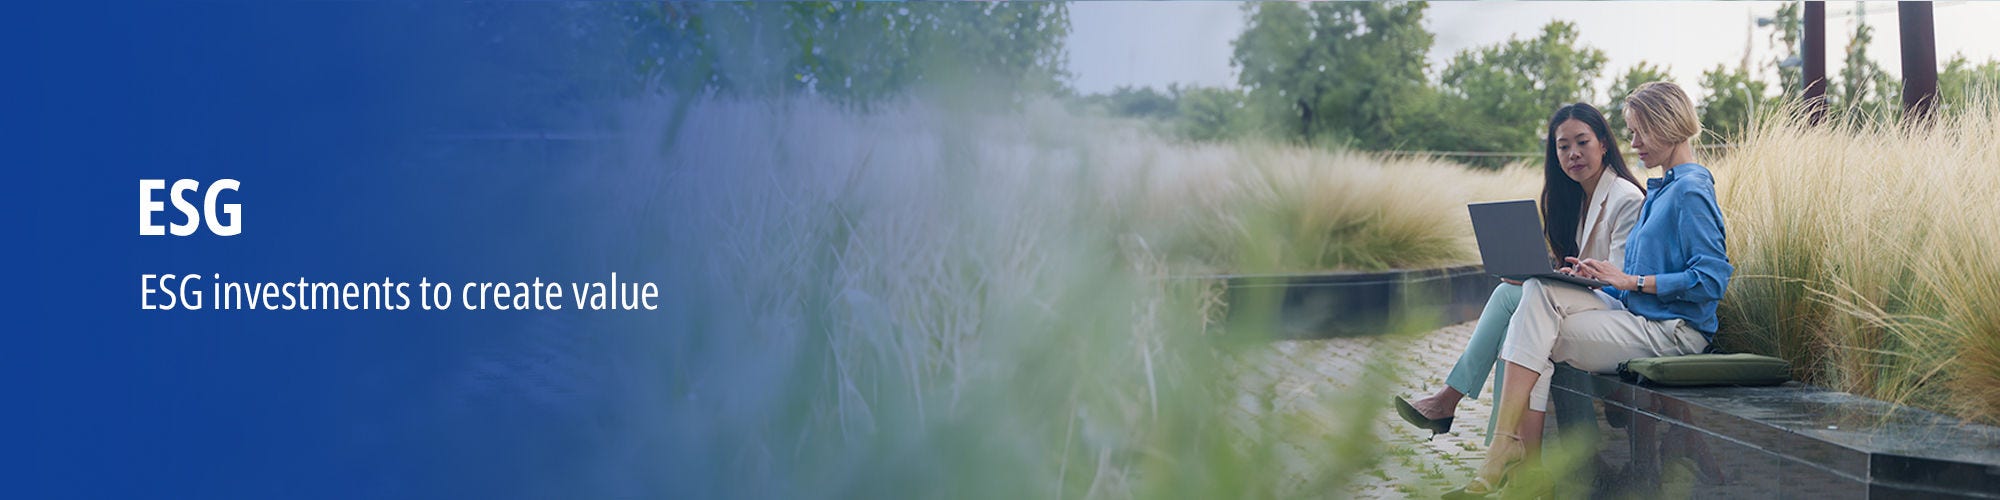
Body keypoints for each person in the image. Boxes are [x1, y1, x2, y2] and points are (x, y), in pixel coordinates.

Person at [1449, 81, 1732, 498]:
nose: (1632, 143)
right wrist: (1593, 276)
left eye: (1638, 131)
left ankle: (1513, 458)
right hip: (1643, 320)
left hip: (1675, 332)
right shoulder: (1664, 188)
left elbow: (1711, 280)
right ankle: (1513, 456)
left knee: (1532, 330)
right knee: (1535, 309)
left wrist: (1629, 281)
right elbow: (1628, 283)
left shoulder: (1690, 190)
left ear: (1666, 125)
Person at [1393, 102, 1646, 452]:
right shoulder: (1573, 199)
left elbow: (1618, 276)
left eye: (1582, 142)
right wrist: (1548, 275)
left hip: (1615, 313)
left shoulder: (1626, 198)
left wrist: (1554, 279)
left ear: (1604, 143)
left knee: (1513, 299)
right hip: (1577, 302)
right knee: (1514, 309)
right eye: (1563, 146)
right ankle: (1501, 445)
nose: (1573, 153)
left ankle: (1449, 404)